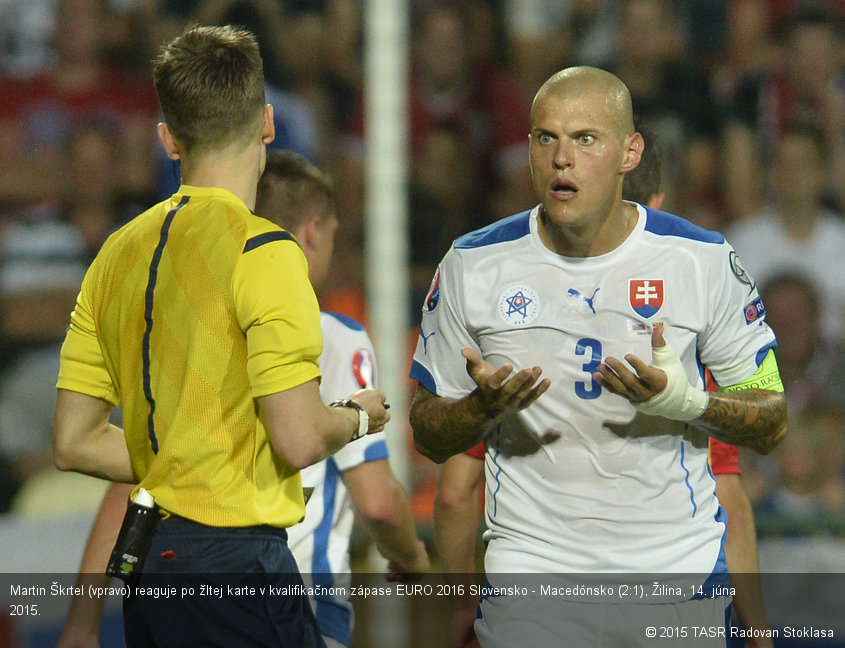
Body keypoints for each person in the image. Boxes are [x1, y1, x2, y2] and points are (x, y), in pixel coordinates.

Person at [410, 66, 786, 647]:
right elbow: (430, 434)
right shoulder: (470, 264)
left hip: (674, 572)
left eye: (585, 139)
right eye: (545, 138)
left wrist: (683, 401)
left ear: (629, 153)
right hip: (533, 576)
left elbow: (772, 416)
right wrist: (478, 410)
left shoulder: (702, 260)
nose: (562, 158)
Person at [51, 25, 390, 648]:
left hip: (151, 567)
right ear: (267, 123)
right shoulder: (266, 251)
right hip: (238, 566)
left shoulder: (114, 255)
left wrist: (183, 456)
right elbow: (297, 437)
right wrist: (358, 417)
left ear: (168, 139)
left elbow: (72, 442)